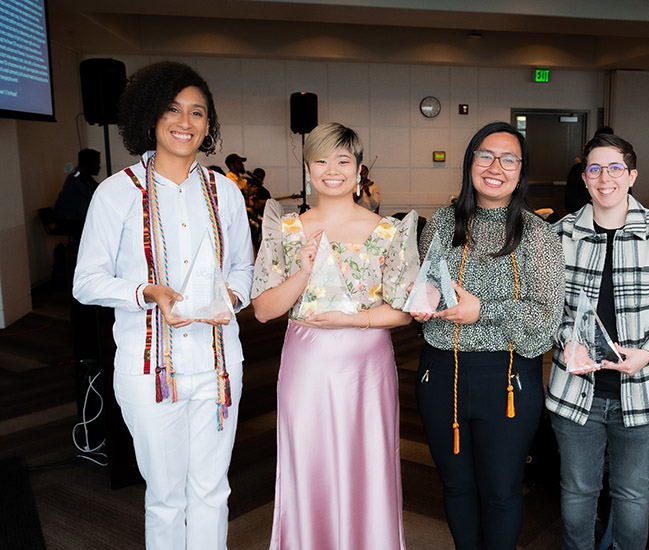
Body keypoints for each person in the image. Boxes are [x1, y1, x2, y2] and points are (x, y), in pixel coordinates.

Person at [72, 61, 254, 550]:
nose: (186, 121)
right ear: (150, 117)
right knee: (167, 496)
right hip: (151, 368)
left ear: (208, 125)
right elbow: (86, 282)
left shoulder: (225, 192)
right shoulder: (117, 192)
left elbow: (244, 269)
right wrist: (145, 292)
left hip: (218, 366)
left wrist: (230, 296)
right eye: (173, 109)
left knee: (212, 490)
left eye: (198, 112)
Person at [251, 122, 418, 550]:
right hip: (307, 367)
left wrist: (355, 321)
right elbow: (264, 310)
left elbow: (406, 314)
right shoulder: (286, 231)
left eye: (343, 161)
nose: (332, 170)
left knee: (368, 463)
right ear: (308, 168)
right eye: (321, 160)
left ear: (359, 169)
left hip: (368, 367)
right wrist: (304, 272)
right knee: (309, 462)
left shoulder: (388, 232)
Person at [412, 121, 564, 549]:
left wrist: (483, 311)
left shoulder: (537, 233)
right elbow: (432, 292)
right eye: (485, 155)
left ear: (521, 170)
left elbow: (546, 321)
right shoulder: (443, 222)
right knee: (456, 485)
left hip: (508, 379)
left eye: (509, 158)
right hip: (441, 373)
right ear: (470, 163)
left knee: (500, 490)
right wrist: (421, 300)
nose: (496, 166)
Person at [546, 133, 649, 550]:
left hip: (644, 388)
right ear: (584, 177)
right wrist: (565, 340)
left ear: (632, 175)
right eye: (594, 168)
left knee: (632, 494)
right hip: (577, 390)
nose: (604, 177)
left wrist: (648, 352)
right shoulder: (560, 235)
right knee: (577, 494)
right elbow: (547, 309)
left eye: (614, 168)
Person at [54, 148, 101, 237]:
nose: (99, 167)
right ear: (88, 163)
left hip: (70, 219)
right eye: (97, 163)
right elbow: (94, 197)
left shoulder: (82, 177)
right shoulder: (79, 179)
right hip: (70, 220)